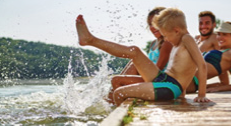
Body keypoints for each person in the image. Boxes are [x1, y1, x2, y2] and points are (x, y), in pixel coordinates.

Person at [76, 7, 210, 106]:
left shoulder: (187, 39)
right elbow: (183, 68)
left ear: (176, 30)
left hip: (170, 87)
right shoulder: (179, 40)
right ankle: (90, 40)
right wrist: (182, 95)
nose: (166, 39)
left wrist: (201, 95)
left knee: (119, 93)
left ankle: (115, 121)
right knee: (135, 51)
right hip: (164, 79)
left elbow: (201, 65)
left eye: (166, 36)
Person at [108, 7, 173, 104]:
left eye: (156, 23)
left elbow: (157, 71)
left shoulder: (167, 43)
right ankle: (111, 100)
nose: (153, 27)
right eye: (150, 24)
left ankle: (114, 106)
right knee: (133, 62)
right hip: (151, 78)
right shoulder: (153, 44)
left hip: (160, 81)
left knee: (116, 80)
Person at [189, 22, 231, 93]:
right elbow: (224, 83)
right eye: (219, 34)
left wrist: (218, 89)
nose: (220, 37)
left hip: (189, 81)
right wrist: (207, 87)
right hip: (185, 77)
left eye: (224, 34)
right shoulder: (222, 52)